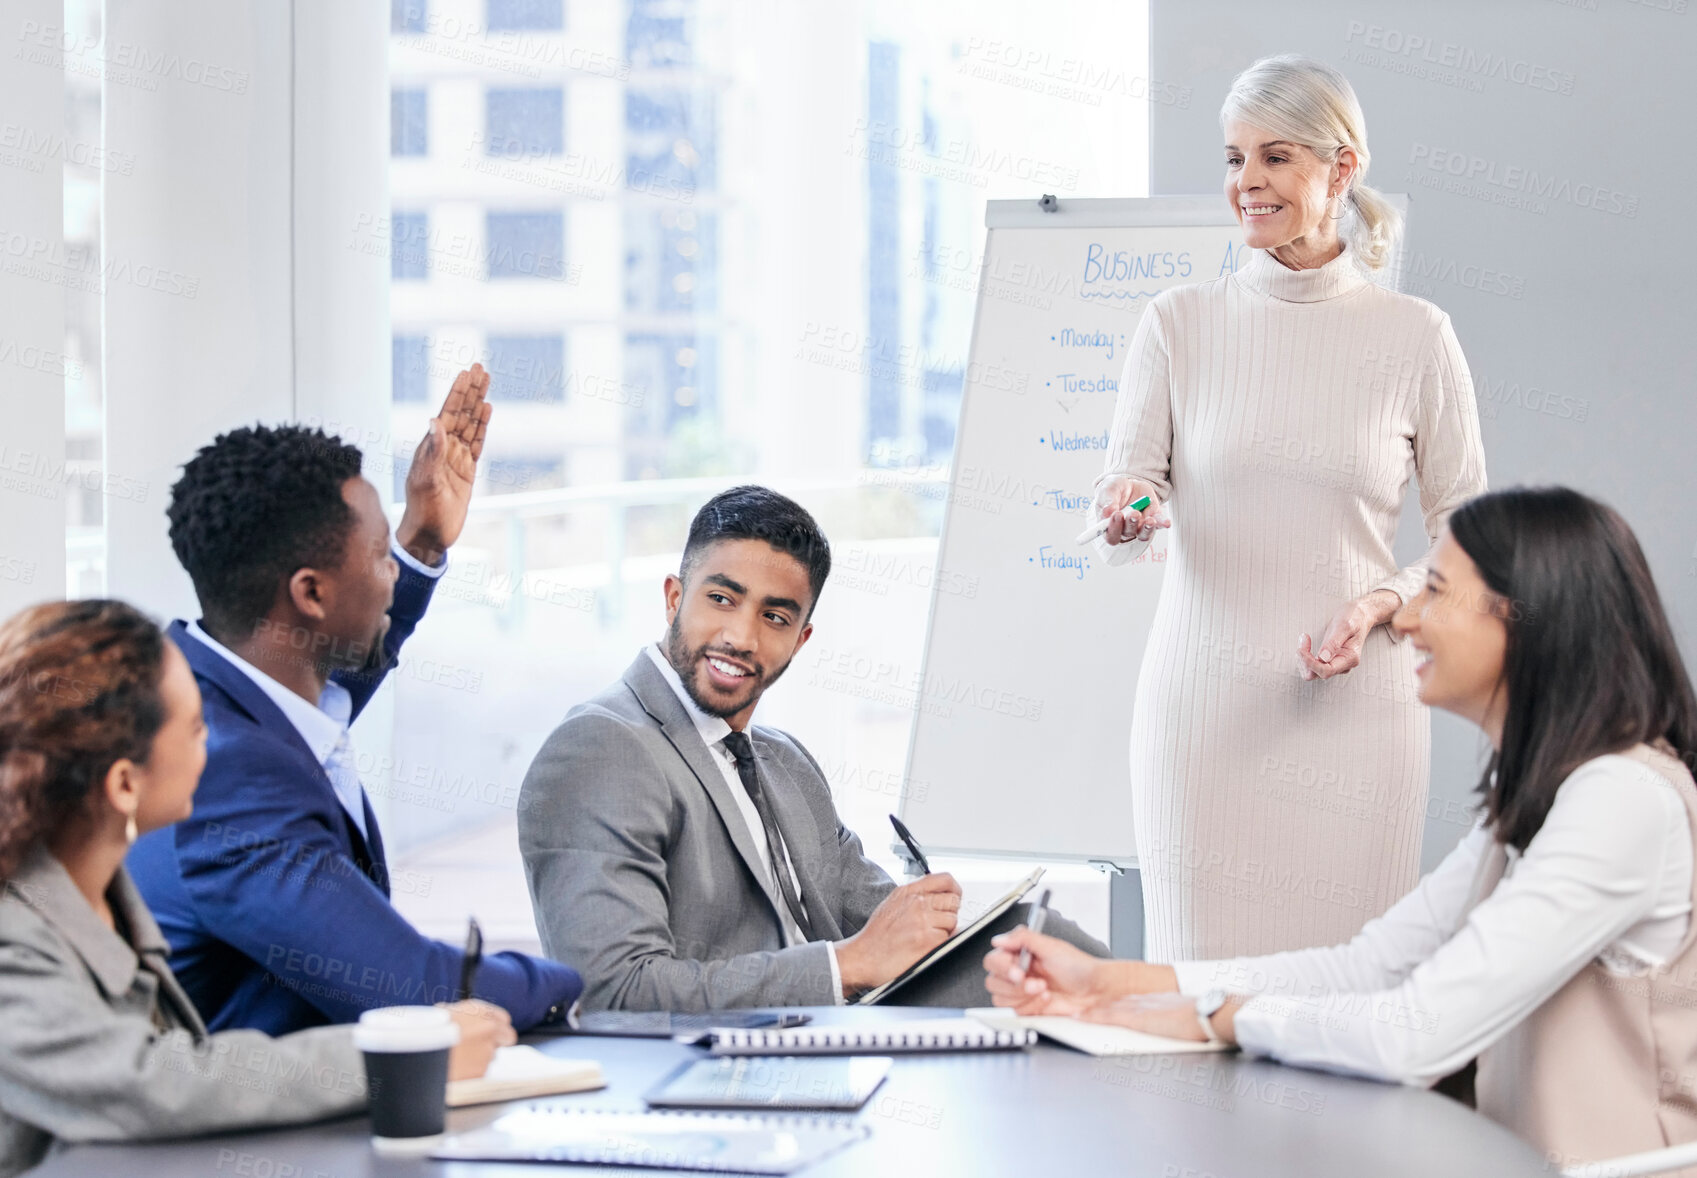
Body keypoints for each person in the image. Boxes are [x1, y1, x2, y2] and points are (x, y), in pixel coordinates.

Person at [987, 487, 1697, 1169]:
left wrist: (1219, 1017)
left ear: (1523, 616)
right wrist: (1110, 986)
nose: (1408, 617)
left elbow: (1411, 1035)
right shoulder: (1543, 799)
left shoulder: (1620, 801)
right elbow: (1360, 969)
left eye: (1436, 591)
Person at [1090, 54, 1488, 959]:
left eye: (1274, 157)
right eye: (1233, 159)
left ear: (1340, 168)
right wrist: (1131, 507)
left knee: (1349, 1007)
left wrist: (1380, 601)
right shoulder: (1177, 322)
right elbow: (1130, 480)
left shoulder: (1415, 337)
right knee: (1200, 1007)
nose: (1246, 184)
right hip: (1203, 719)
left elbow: (1474, 544)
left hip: (1361, 724)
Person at [519, 485, 1106, 1011]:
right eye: (721, 599)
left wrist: (926, 919)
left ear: (800, 640)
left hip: (839, 1044)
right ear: (675, 598)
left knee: (1037, 941)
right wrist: (846, 966)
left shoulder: (783, 761)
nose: (741, 637)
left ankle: (1170, 1005)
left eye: (774, 617)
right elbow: (611, 992)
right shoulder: (601, 747)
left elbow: (873, 914)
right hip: (728, 1078)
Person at [127, 366, 582, 1035]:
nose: (391, 570)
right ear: (310, 593)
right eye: (379, 556)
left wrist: (420, 544)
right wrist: (582, 979)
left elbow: (323, 691)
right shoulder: (229, 777)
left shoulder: (202, 698)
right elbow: (414, 990)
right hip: (251, 1129)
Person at [0, 599, 513, 1177]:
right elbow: (141, 1080)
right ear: (124, 783)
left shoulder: (100, 894)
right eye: (197, 726)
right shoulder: (14, 939)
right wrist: (398, 1059)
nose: (215, 739)